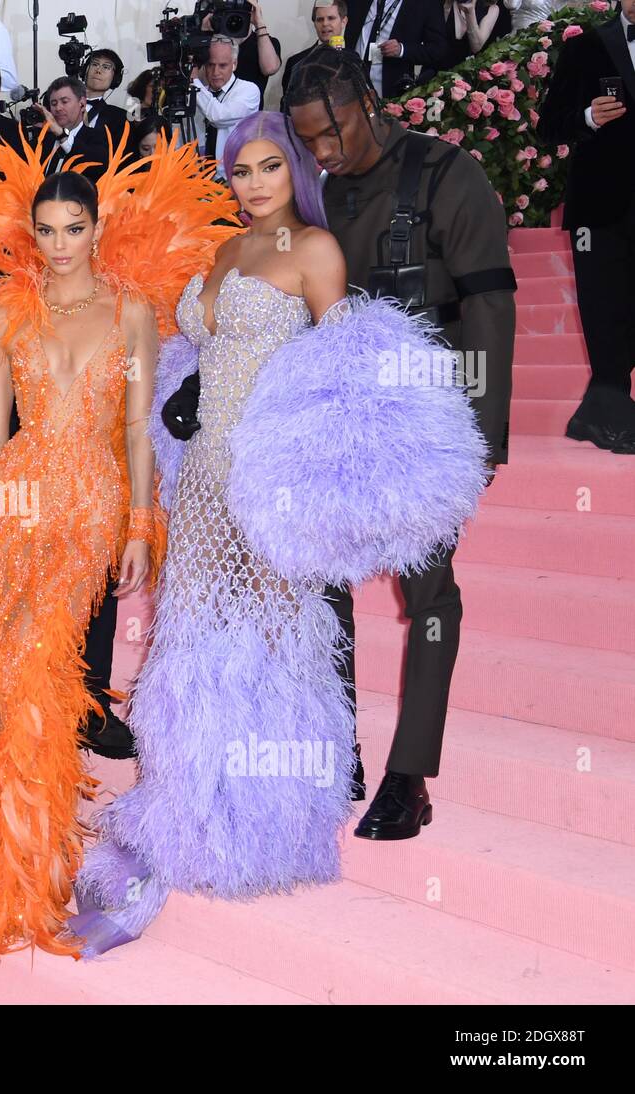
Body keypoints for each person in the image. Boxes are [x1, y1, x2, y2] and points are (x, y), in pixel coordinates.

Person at [72, 112, 490, 956]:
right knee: (193, 643)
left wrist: (316, 488)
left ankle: (265, 824)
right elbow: (199, 346)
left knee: (271, 649)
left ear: (293, 169)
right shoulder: (223, 252)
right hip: (201, 484)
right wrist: (181, 391)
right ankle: (196, 803)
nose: (254, 183)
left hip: (267, 485)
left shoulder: (316, 252)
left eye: (269, 166)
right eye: (241, 170)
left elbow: (343, 381)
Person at [0, 134, 240, 967]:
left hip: (91, 498)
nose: (59, 245)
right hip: (14, 495)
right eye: (47, 230)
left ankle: (33, 856)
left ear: (97, 230)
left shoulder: (133, 309)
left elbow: (135, 428)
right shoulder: (7, 309)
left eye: (72, 229)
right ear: (32, 232)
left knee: (45, 668)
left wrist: (141, 524)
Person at [286, 45, 515, 839]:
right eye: (307, 139)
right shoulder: (326, 192)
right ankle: (339, 748)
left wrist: (480, 441)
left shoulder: (450, 174)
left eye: (332, 131)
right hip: (346, 416)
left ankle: (409, 775)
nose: (323, 152)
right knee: (321, 582)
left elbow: (488, 303)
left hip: (427, 424)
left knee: (429, 596)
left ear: (369, 101)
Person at [538, 0, 635, 454]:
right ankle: (612, 415)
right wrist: (588, 118)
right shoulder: (585, 48)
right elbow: (549, 126)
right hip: (601, 205)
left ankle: (595, 414)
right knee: (604, 308)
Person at [345, 0, 452, 98]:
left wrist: (402, 50)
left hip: (389, 89)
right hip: (350, 82)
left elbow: (437, 49)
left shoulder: (427, 3)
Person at [190, 38, 263, 175]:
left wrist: (194, 82)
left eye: (222, 65)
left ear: (234, 64)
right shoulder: (200, 93)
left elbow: (218, 116)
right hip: (199, 180)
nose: (215, 72)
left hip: (233, 179)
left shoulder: (248, 90)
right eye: (211, 65)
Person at [204, 0, 283, 104]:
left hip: (249, 116)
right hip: (209, 112)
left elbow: (270, 68)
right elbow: (198, 78)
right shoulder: (214, 42)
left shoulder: (265, 42)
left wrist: (259, 23)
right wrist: (204, 34)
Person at [41, 76, 112, 180]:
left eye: (64, 101)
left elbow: (98, 166)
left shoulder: (98, 136)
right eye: (53, 103)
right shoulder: (43, 139)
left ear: (82, 104)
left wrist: (62, 135)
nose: (58, 108)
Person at [282, 2, 351, 104]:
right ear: (314, 24)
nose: (325, 24)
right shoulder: (296, 62)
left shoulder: (354, 61)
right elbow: (287, 106)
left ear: (344, 21)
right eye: (320, 19)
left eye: (331, 18)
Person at [81, 49, 131, 141]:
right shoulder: (60, 101)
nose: (98, 70)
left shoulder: (120, 118)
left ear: (116, 78)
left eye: (106, 67)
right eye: (95, 64)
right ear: (85, 70)